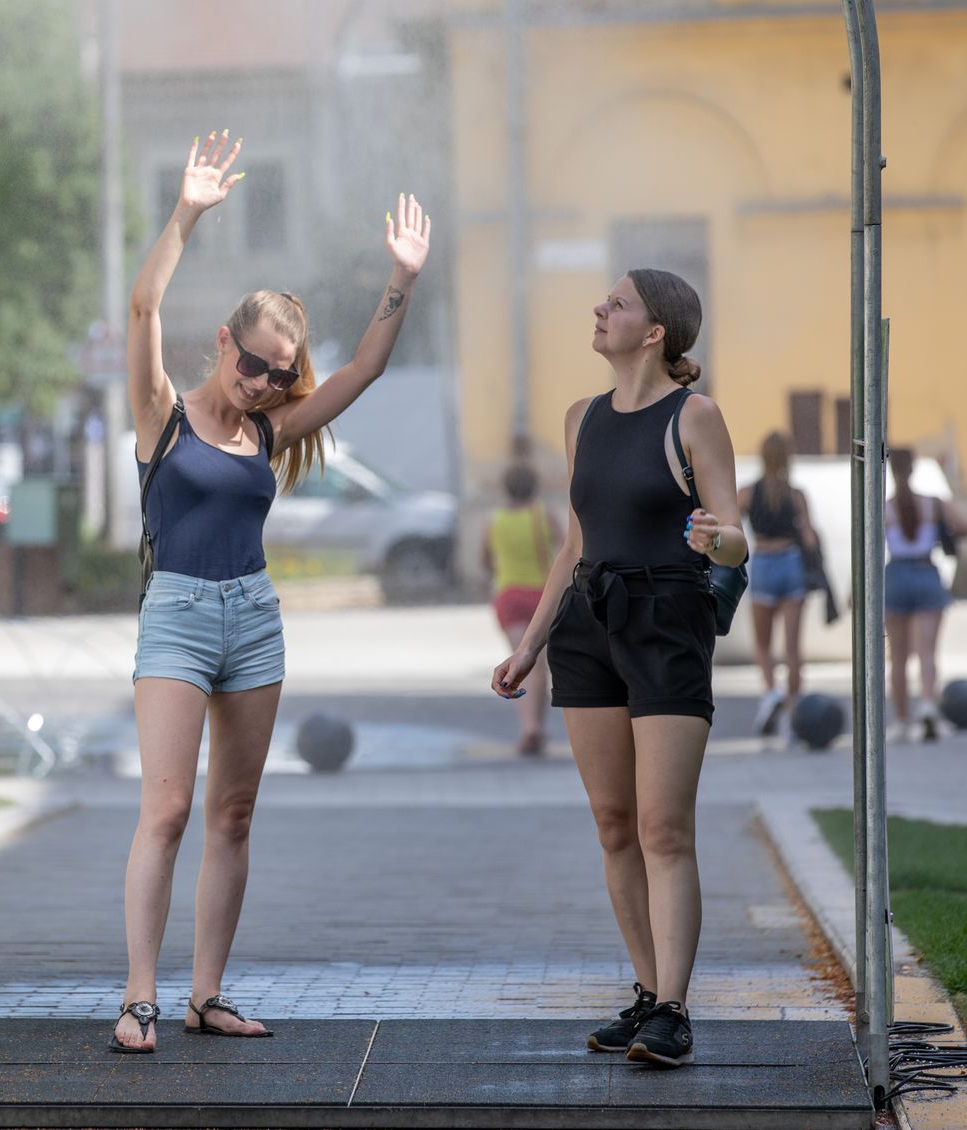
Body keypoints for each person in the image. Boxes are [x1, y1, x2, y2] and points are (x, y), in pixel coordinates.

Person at [111, 130, 430, 1052]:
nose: (260, 382)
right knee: (167, 809)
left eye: (278, 373)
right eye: (250, 363)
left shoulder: (273, 430)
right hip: (174, 614)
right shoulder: (161, 416)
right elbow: (140, 307)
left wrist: (399, 278)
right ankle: (139, 995)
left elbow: (365, 370)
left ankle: (206, 994)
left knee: (234, 815)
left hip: (252, 619)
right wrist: (187, 214)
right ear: (225, 342)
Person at [491, 269, 746, 1069]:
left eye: (618, 303)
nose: (600, 310)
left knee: (663, 827)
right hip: (586, 628)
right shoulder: (581, 419)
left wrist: (717, 540)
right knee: (613, 825)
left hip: (667, 622)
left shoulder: (694, 417)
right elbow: (573, 545)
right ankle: (646, 993)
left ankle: (675, 1007)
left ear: (655, 333)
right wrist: (529, 647)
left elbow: (737, 537)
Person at [737, 431, 819, 738]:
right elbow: (809, 537)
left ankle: (771, 693)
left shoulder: (747, 492)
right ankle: (794, 710)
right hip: (791, 562)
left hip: (764, 561)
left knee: (763, 642)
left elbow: (728, 525)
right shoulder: (797, 495)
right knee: (793, 647)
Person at [884, 448, 967, 742]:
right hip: (925, 573)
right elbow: (963, 525)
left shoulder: (886, 506)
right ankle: (928, 705)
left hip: (894, 576)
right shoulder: (933, 503)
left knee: (898, 657)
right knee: (927, 651)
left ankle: (903, 720)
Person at [481, 462, 561, 754]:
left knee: (518, 660)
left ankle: (528, 726)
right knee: (539, 666)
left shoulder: (494, 521)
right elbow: (568, 548)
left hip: (509, 595)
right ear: (534, 486)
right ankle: (536, 726)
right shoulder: (543, 515)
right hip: (542, 595)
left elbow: (485, 560)